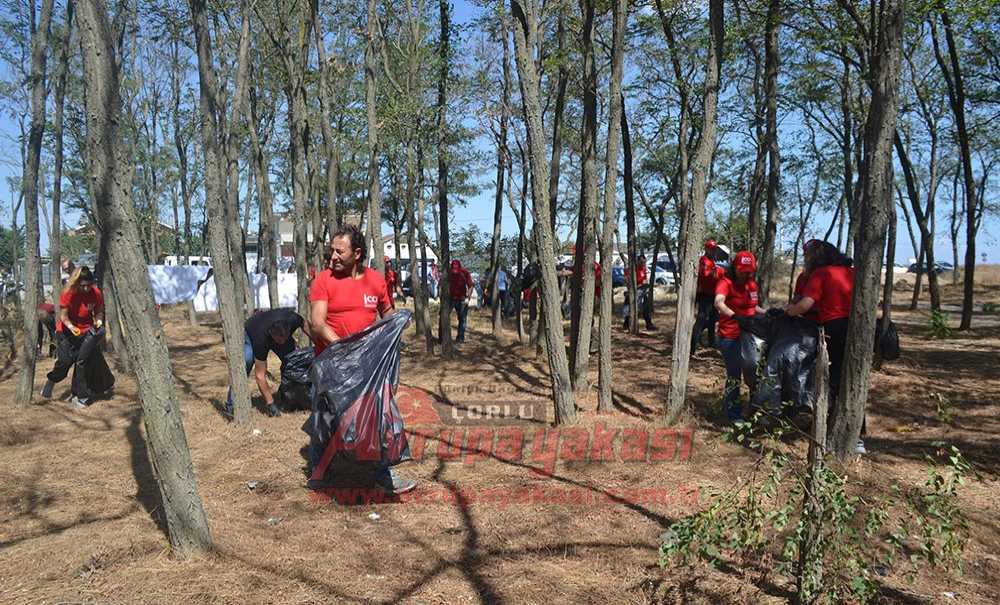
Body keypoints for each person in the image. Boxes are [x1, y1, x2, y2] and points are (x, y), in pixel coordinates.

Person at [309, 225, 413, 494]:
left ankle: (383, 476)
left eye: (339, 252)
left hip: (367, 367)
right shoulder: (323, 280)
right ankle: (318, 472)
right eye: (331, 250)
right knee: (325, 418)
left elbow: (387, 314)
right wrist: (345, 351)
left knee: (377, 418)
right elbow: (317, 323)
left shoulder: (376, 281)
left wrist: (397, 327)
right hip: (332, 363)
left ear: (357, 254)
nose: (332, 257)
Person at [784, 239, 860, 452]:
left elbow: (805, 304)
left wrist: (789, 311)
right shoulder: (851, 271)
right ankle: (858, 435)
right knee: (852, 379)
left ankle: (833, 435)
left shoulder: (821, 274)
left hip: (834, 328)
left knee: (832, 381)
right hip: (858, 329)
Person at [40, 267, 115, 408]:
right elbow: (63, 316)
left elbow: (98, 311)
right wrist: (71, 327)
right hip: (66, 330)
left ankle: (80, 394)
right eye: (83, 286)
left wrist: (98, 321)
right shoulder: (69, 293)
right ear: (77, 283)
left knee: (83, 361)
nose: (86, 288)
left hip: (86, 331)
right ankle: (51, 380)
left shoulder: (96, 293)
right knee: (65, 361)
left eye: (89, 285)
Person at [225, 307, 311, 418]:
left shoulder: (293, 318)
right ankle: (232, 404)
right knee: (246, 360)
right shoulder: (261, 340)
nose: (282, 342)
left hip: (274, 329)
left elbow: (306, 326)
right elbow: (260, 376)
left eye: (285, 338)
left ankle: (293, 398)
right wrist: (270, 404)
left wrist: (318, 343)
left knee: (294, 360)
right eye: (279, 340)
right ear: (272, 334)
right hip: (251, 332)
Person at [714, 251, 765, 422]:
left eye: (749, 271)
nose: (746, 274)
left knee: (755, 371)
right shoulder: (725, 283)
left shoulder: (752, 285)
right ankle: (733, 414)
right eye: (742, 270)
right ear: (735, 268)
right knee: (734, 375)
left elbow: (754, 307)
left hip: (750, 335)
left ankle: (755, 409)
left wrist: (767, 313)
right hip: (730, 336)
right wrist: (734, 316)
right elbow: (719, 302)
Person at [692, 240, 725, 351]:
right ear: (706, 249)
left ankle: (711, 341)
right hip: (705, 295)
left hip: (713, 295)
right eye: (711, 248)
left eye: (714, 249)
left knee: (714, 318)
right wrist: (718, 271)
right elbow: (705, 276)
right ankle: (693, 343)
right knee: (702, 319)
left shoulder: (712, 261)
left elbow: (717, 276)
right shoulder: (704, 261)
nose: (713, 251)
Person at [623, 254, 653, 330]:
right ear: (637, 261)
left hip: (642, 291)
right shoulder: (631, 269)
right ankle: (626, 323)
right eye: (642, 262)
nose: (643, 264)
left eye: (644, 262)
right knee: (628, 306)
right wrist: (638, 285)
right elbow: (628, 282)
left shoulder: (643, 268)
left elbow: (645, 279)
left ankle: (649, 324)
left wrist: (644, 284)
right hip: (633, 291)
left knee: (646, 306)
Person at [448, 259, 473, 342]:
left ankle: (460, 338)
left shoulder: (465, 273)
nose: (455, 270)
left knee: (462, 319)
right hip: (450, 299)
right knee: (444, 317)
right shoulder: (448, 272)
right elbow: (441, 284)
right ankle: (443, 338)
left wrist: (468, 298)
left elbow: (470, 286)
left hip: (461, 299)